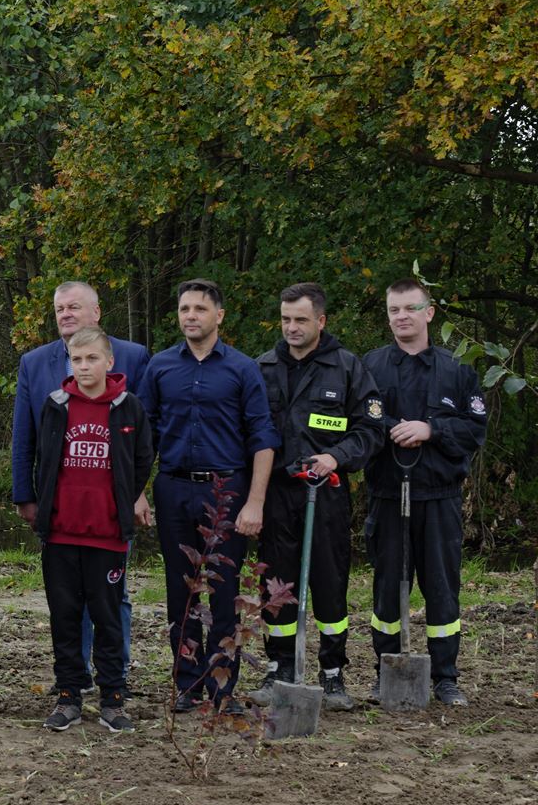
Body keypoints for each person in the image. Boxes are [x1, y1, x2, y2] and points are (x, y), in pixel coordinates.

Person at [140, 279, 280, 712]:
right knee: (181, 591)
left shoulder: (242, 369)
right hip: (173, 486)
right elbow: (142, 435)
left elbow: (262, 438)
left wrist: (254, 502)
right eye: (184, 309)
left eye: (200, 309)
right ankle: (186, 683)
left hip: (226, 492)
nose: (190, 316)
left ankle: (223, 688)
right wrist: (137, 492)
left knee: (223, 591)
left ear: (218, 316)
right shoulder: (160, 367)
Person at [11, 281, 151, 684]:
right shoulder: (34, 362)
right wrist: (26, 494)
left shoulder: (133, 357)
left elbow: (140, 438)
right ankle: (73, 678)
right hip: (60, 505)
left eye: (74, 307)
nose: (66, 314)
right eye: (59, 309)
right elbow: (26, 436)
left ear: (97, 312)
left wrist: (137, 492)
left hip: (111, 506)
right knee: (66, 599)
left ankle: (115, 671)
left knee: (111, 598)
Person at [252, 283, 384, 711]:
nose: (291, 327)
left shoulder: (346, 367)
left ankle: (332, 674)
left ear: (321, 321)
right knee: (276, 584)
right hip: (276, 494)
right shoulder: (264, 368)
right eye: (286, 319)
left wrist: (336, 456)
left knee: (329, 582)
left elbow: (371, 430)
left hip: (324, 493)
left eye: (301, 320)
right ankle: (280, 669)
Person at [363, 278, 487, 706]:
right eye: (394, 310)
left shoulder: (459, 371)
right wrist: (390, 430)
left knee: (441, 587)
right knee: (385, 591)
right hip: (386, 494)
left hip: (439, 497)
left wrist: (431, 429)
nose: (401, 317)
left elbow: (476, 429)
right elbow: (356, 424)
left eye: (410, 308)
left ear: (429, 313)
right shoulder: (370, 368)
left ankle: (445, 677)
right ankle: (387, 670)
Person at [28, 327, 154, 733]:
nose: (84, 367)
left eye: (92, 359)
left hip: (107, 535)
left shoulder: (127, 406)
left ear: (109, 361)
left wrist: (122, 502)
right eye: (77, 360)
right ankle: (68, 696)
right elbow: (44, 460)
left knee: (108, 617)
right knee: (65, 617)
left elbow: (141, 461)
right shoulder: (56, 404)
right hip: (62, 533)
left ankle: (113, 699)